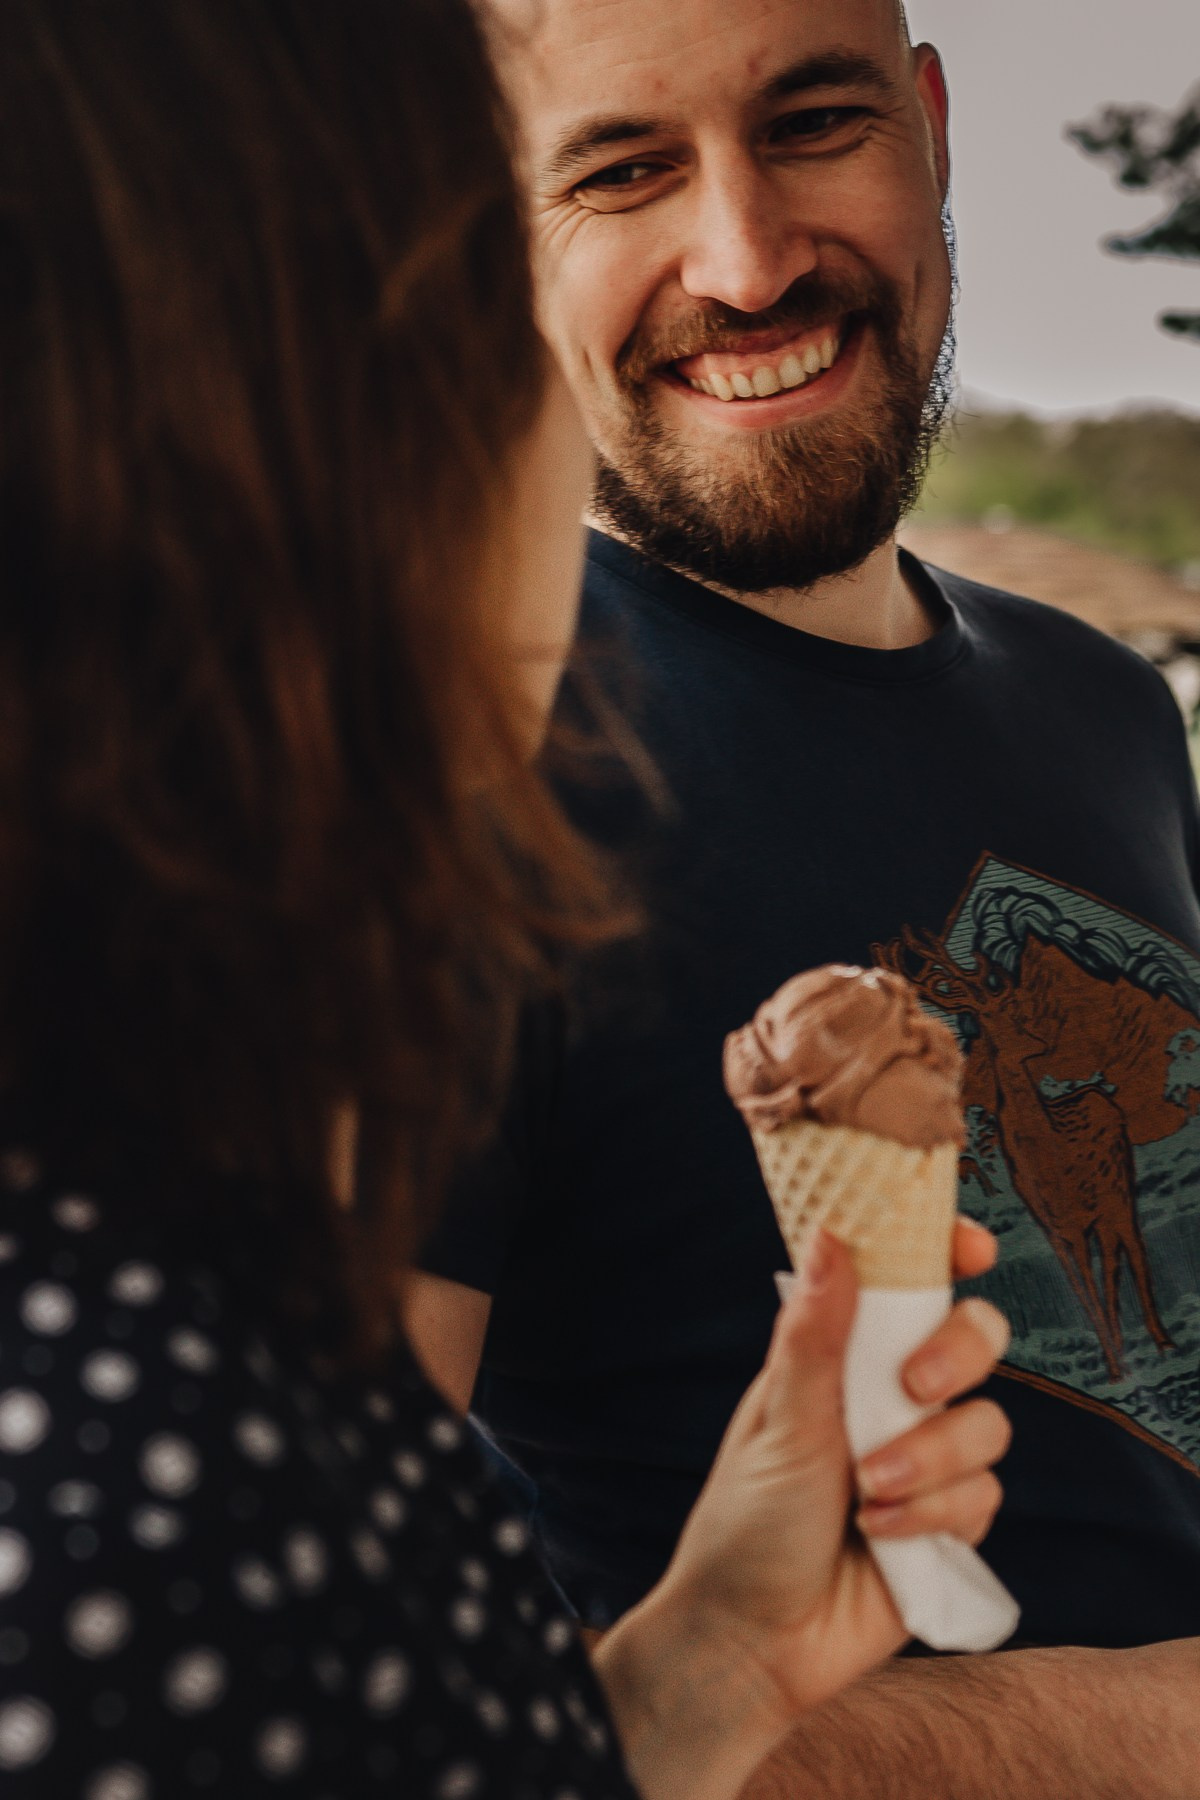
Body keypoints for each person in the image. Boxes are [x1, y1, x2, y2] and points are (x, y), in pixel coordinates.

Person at [0, 2, 1012, 1796]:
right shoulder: (152, 1473)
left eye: (813, 126)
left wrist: (709, 1661)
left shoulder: (179, 1321)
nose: (739, 258)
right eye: (560, 208)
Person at [411, 0, 1200, 1793]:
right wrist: (1142, 1728)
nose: (749, 258)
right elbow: (287, 1688)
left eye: (814, 124)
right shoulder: (432, 782)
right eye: (622, 169)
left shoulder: (1110, 706)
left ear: (927, 131)